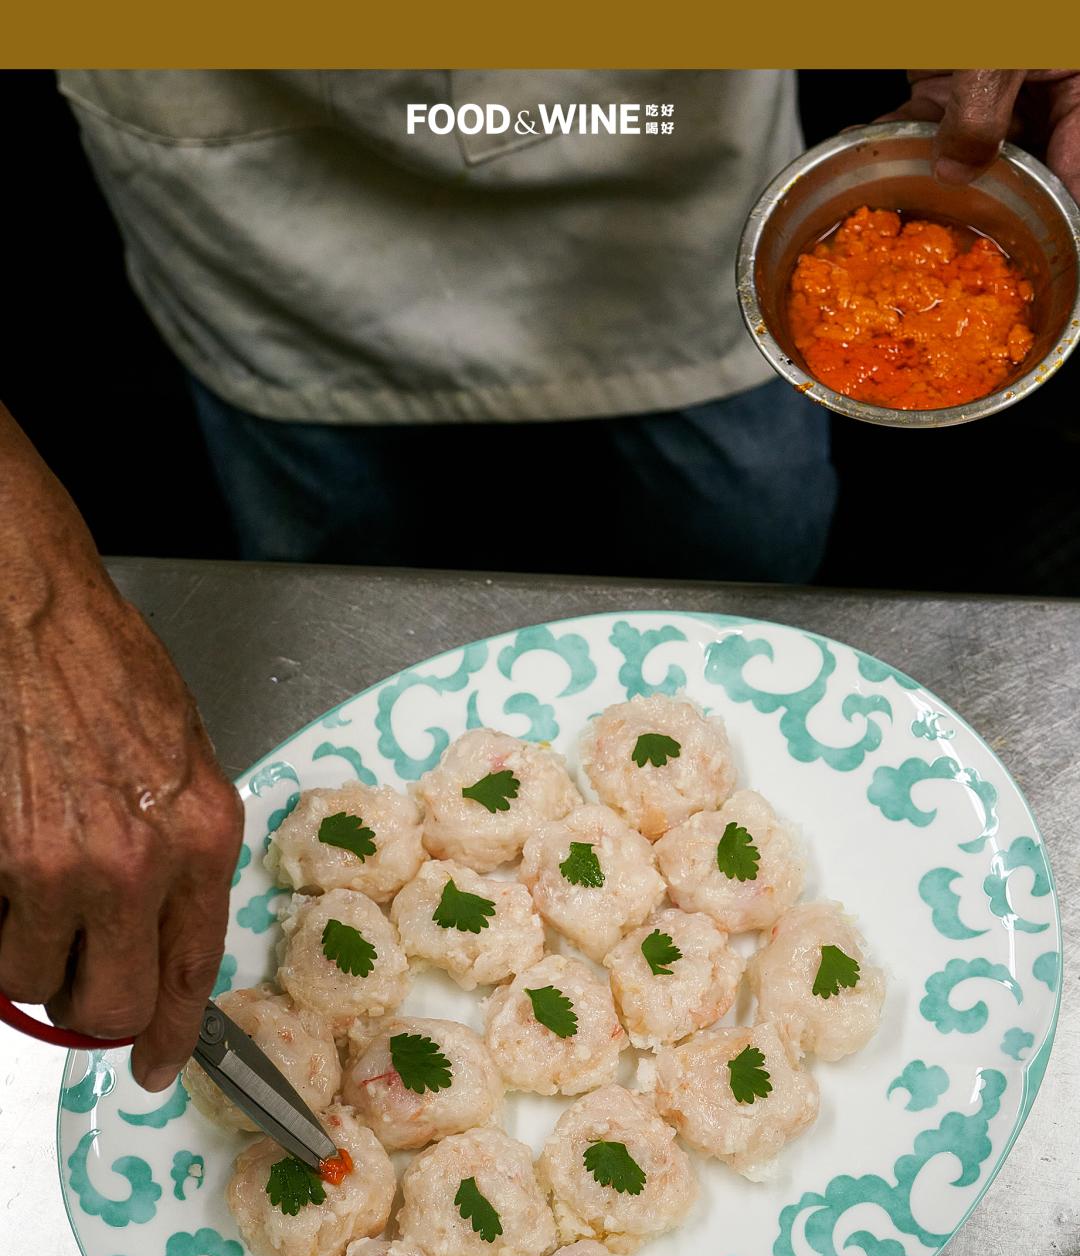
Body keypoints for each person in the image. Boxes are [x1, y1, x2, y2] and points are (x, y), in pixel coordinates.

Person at [1, 68, 1076, 1091]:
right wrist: (21, 603)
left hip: (675, 177)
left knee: (755, 562)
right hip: (270, 207)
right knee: (329, 571)